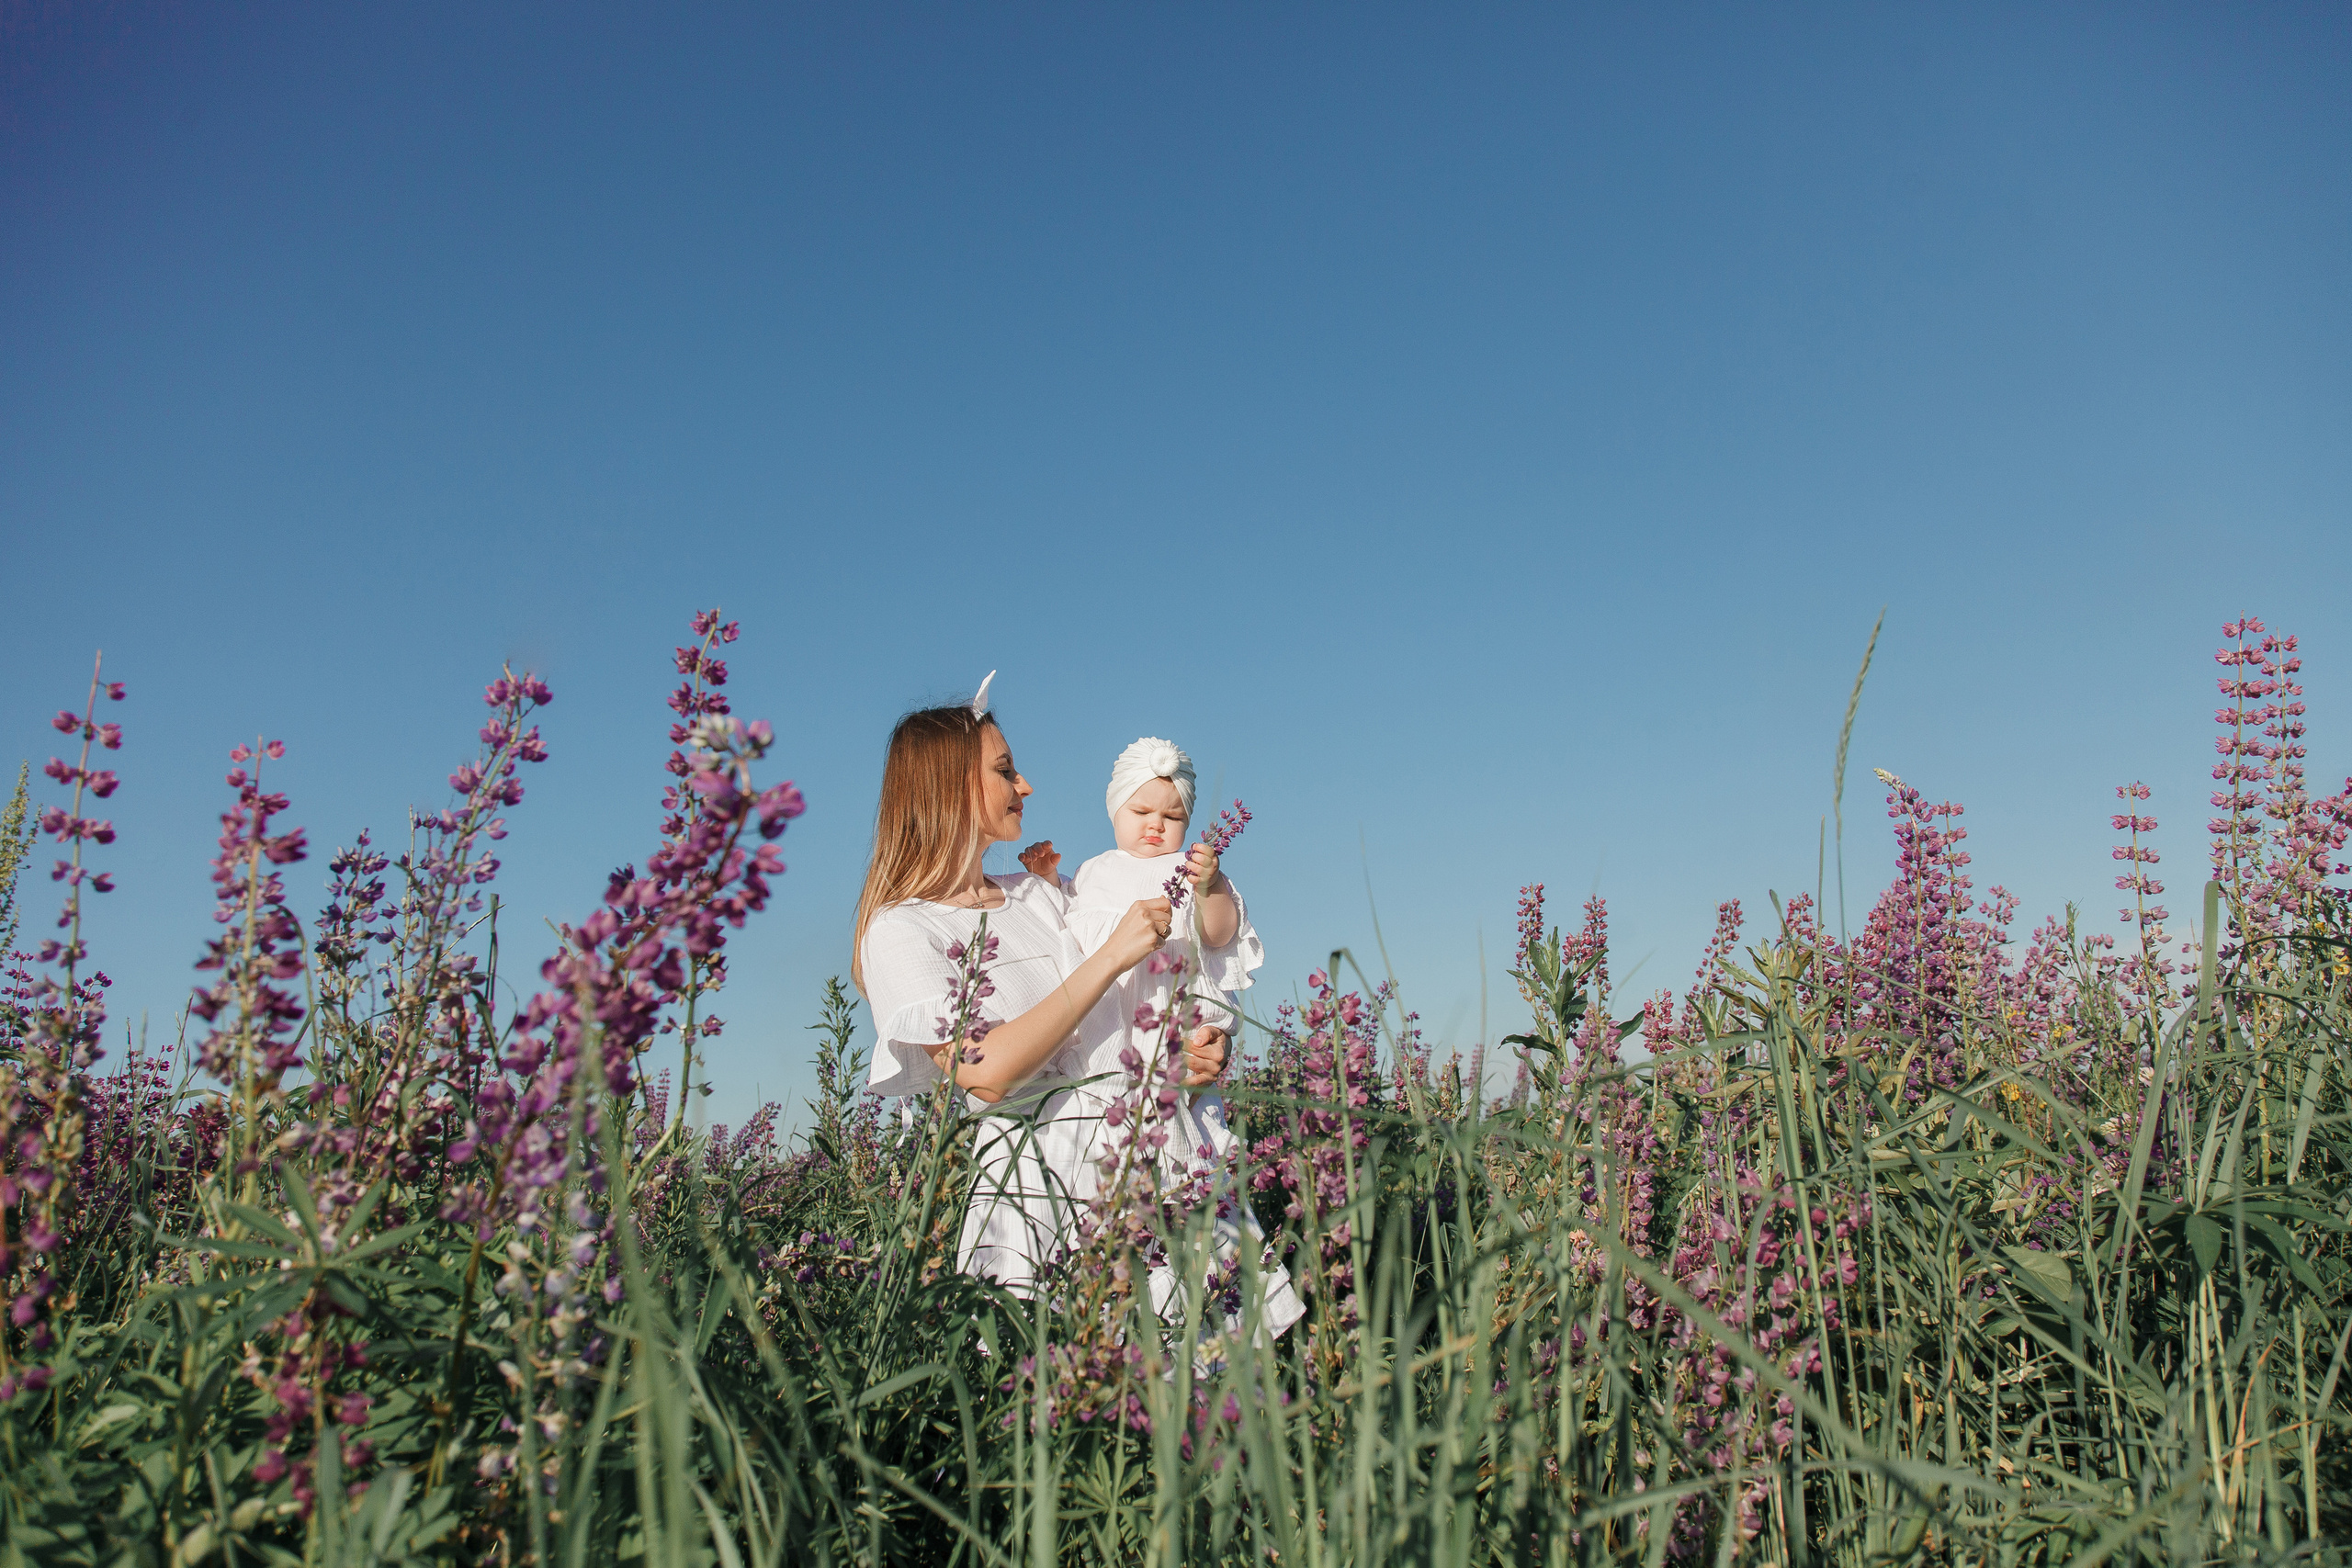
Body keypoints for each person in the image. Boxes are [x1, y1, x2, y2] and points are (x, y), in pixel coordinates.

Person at [853, 679, 1230, 1296]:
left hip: (1141, 1158)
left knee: (1197, 1373)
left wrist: (1185, 1053)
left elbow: (1116, 1022)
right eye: (1005, 770)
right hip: (1035, 1193)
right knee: (1065, 1379)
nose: (1024, 785)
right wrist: (1110, 955)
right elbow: (986, 1070)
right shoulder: (900, 929)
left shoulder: (1037, 892)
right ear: (950, 785)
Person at [1023, 735, 1306, 1337]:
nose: (1157, 826)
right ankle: (1110, 1333)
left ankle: (1205, 1344)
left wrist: (1209, 884)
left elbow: (1221, 929)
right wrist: (1048, 877)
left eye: (1173, 815)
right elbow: (1066, 934)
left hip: (1177, 1064)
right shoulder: (1096, 873)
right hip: (1108, 1062)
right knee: (1099, 1196)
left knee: (1192, 1200)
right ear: (1114, 810)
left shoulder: (1195, 868)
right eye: (1141, 812)